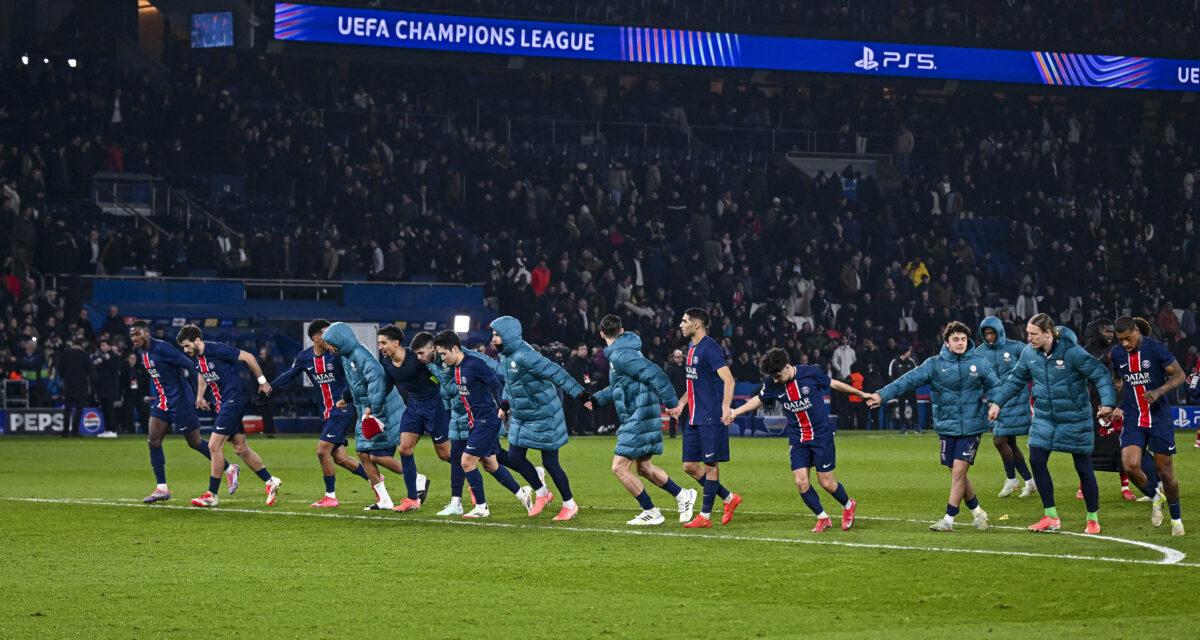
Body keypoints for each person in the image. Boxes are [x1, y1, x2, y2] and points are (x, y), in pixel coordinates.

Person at [987, 313, 1116, 534]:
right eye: (1028, 333)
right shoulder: (1029, 353)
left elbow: (1101, 376)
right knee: (1036, 460)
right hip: (1044, 418)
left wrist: (1107, 404)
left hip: (1075, 418)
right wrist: (998, 402)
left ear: (1048, 333)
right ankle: (1050, 516)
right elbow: (1016, 379)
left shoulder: (1073, 353)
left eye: (1033, 334)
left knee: (1083, 467)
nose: (1028, 338)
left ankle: (1093, 519)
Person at [868, 321, 998, 532]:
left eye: (963, 339)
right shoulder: (934, 364)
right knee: (958, 474)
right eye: (955, 339)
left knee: (959, 472)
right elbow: (907, 380)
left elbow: (995, 386)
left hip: (972, 425)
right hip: (946, 426)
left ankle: (948, 519)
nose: (960, 343)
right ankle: (977, 512)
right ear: (946, 342)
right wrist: (882, 395)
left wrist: (995, 402)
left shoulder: (979, 363)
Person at [731, 348, 861, 532]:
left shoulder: (810, 373)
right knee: (801, 482)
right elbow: (759, 399)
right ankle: (823, 518)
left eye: (777, 375)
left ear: (786, 367)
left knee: (827, 483)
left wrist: (861, 394)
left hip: (820, 435)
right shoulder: (772, 382)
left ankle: (848, 504)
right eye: (773, 377)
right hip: (797, 438)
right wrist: (735, 412)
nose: (776, 380)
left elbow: (835, 384)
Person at [587, 315, 697, 526]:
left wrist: (672, 403)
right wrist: (596, 399)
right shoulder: (623, 352)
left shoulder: (621, 355)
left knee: (619, 467)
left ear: (601, 333)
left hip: (639, 415)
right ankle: (683, 494)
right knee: (644, 467)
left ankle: (651, 511)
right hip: (641, 413)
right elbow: (619, 387)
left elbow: (655, 373)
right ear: (621, 330)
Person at [422, 332, 540, 517]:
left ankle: (481, 507)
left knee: (466, 462)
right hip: (474, 422)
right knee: (491, 464)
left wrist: (503, 406)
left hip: (486, 421)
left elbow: (496, 384)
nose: (442, 358)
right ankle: (522, 493)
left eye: (444, 353)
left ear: (455, 349)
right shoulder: (457, 368)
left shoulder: (474, 364)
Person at [490, 315, 591, 521]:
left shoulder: (527, 356)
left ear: (508, 335)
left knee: (550, 462)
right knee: (514, 458)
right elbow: (511, 384)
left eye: (497, 335)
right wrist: (504, 405)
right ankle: (543, 493)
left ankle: (569, 504)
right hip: (522, 415)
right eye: (492, 334)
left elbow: (557, 373)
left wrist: (582, 396)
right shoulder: (506, 355)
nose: (493, 339)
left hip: (545, 414)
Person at [268, 319, 372, 508]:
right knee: (340, 458)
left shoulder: (337, 355)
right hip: (326, 412)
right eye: (326, 333)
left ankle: (330, 497)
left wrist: (348, 396)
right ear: (316, 338)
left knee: (322, 450)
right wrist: (269, 387)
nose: (331, 337)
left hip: (341, 409)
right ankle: (376, 480)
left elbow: (353, 377)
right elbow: (289, 374)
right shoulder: (304, 357)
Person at [176, 325, 281, 508]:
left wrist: (263, 382)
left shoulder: (217, 349)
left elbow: (248, 357)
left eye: (187, 345)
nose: (185, 350)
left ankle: (212, 495)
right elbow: (203, 373)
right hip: (222, 404)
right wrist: (199, 396)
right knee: (240, 448)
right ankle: (271, 481)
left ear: (197, 340)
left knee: (213, 445)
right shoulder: (197, 357)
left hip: (233, 401)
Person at [130, 321, 234, 503]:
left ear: (146, 333)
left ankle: (229, 468)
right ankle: (162, 488)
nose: (133, 338)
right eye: (131, 335)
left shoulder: (163, 348)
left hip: (181, 401)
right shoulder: (142, 352)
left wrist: (198, 395)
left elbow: (191, 366)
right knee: (153, 441)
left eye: (136, 334)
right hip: (163, 402)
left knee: (194, 442)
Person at [668, 308, 743, 528]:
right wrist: (681, 404)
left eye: (684, 321)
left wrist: (725, 407)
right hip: (694, 417)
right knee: (689, 465)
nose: (681, 325)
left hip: (710, 416)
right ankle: (729, 498)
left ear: (697, 324)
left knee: (711, 465)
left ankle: (705, 516)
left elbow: (729, 379)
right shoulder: (691, 347)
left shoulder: (710, 348)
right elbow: (694, 383)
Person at [1111, 316, 1186, 536]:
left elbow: (1180, 375)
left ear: (1136, 331)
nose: (1125, 343)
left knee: (1165, 472)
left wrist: (1159, 391)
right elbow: (1119, 380)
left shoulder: (1155, 349)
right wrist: (1114, 404)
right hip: (1134, 417)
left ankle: (1176, 519)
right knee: (1130, 465)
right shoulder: (1117, 354)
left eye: (1128, 338)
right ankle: (1156, 496)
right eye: (1120, 340)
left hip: (1159, 417)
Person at [322, 322, 406, 511]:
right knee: (363, 453)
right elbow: (358, 383)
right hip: (365, 410)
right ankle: (384, 499)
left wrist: (373, 409)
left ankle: (416, 479)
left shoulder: (360, 354)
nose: (330, 348)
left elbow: (376, 381)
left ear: (340, 340)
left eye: (331, 344)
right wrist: (347, 397)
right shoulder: (347, 356)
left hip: (377, 410)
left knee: (377, 455)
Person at [1081, 318, 1157, 502]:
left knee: (1121, 446)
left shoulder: (1119, 350)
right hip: (1092, 405)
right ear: (1096, 332)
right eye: (1105, 331)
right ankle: (1083, 487)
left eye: (1111, 331)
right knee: (1087, 447)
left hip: (1118, 404)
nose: (1109, 334)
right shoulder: (1084, 352)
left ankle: (1126, 488)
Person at [377, 326, 445, 511]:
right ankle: (412, 499)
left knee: (445, 454)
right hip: (414, 407)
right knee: (404, 449)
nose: (380, 347)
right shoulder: (387, 362)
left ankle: (470, 477)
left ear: (396, 342)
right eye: (379, 343)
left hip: (434, 405)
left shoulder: (416, 356)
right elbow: (387, 386)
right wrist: (372, 406)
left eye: (383, 342)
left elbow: (440, 376)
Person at [975, 317, 1035, 498]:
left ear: (999, 332)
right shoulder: (979, 353)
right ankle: (1029, 481)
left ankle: (1012, 480)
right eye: (986, 334)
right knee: (1009, 443)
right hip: (995, 404)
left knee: (999, 440)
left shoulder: (1016, 347)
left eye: (992, 333)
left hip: (1015, 401)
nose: (989, 337)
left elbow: (1032, 367)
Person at [58, 338, 91, 438]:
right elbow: (90, 370)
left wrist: (66, 378)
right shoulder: (84, 355)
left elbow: (60, 370)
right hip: (81, 385)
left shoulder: (65, 354)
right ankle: (75, 431)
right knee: (79, 409)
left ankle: (65, 431)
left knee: (68, 408)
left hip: (69, 385)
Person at [887, 346, 921, 433]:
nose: (910, 353)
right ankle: (903, 427)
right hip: (901, 390)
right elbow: (890, 375)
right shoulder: (894, 362)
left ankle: (916, 426)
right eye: (908, 351)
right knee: (901, 407)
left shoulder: (911, 361)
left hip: (910, 389)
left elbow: (916, 374)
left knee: (914, 407)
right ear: (904, 352)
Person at [663, 349, 687, 438]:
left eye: (680, 356)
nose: (679, 358)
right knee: (673, 415)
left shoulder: (686, 367)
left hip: (685, 394)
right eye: (677, 357)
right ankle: (672, 434)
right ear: (673, 357)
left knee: (685, 415)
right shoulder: (670, 368)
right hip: (675, 394)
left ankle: (685, 433)